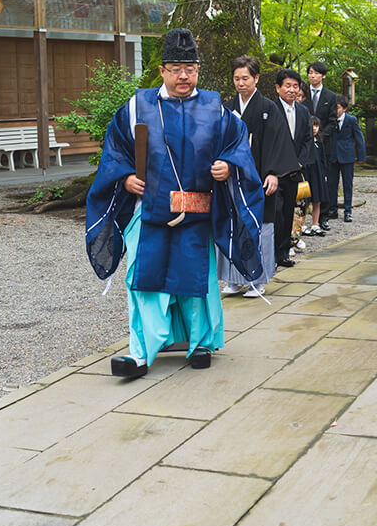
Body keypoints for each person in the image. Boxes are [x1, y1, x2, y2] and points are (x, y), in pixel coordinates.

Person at [85, 28, 264, 378]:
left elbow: (238, 147)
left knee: (195, 282)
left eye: (190, 68)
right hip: (149, 211)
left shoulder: (216, 109)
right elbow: (115, 150)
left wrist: (228, 167)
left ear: (198, 70)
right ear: (163, 70)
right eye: (175, 68)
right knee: (142, 280)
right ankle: (141, 353)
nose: (183, 75)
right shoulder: (137, 106)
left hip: (197, 211)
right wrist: (124, 177)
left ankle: (200, 344)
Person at [221, 55, 298, 296]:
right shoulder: (229, 108)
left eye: (245, 78)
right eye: (236, 78)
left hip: (259, 178)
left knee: (261, 226)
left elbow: (278, 143)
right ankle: (235, 278)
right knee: (234, 225)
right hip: (234, 178)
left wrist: (274, 173)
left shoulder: (268, 108)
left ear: (256, 78)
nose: (241, 83)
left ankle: (259, 278)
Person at [272, 68, 313, 266]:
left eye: (295, 86)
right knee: (275, 212)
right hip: (274, 171)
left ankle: (283, 253)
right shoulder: (271, 109)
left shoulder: (303, 112)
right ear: (278, 88)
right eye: (287, 86)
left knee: (288, 211)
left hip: (294, 170)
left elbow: (307, 140)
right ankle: (270, 252)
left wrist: (300, 162)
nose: (292, 90)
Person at [304, 62, 339, 224]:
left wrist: (320, 136)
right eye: (310, 73)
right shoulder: (302, 93)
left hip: (323, 144)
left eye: (316, 73)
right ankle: (303, 219)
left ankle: (323, 216)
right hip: (304, 143)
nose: (312, 76)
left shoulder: (330, 96)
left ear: (323, 76)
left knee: (325, 180)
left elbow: (333, 121)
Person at [328, 96, 367, 222]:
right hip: (332, 156)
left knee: (347, 184)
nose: (335, 110)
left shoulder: (351, 120)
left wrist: (361, 156)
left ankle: (348, 211)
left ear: (344, 108)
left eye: (338, 107)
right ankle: (332, 210)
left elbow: (358, 137)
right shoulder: (330, 120)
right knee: (332, 184)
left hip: (347, 156)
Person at [302, 115, 327, 236]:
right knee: (305, 200)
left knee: (317, 199)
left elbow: (323, 160)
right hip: (307, 173)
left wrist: (324, 174)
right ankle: (301, 224)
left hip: (318, 173)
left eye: (316, 126)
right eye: (312, 125)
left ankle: (315, 224)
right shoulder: (304, 142)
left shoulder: (319, 142)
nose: (314, 128)